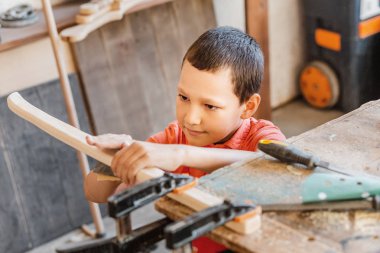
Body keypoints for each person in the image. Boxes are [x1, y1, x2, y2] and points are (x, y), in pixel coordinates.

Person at [84, 26, 285, 252]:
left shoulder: (260, 135)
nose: (191, 118)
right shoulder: (175, 137)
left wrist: (183, 153)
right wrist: (116, 158)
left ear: (248, 107)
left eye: (210, 106)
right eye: (183, 97)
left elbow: (275, 166)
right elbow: (94, 192)